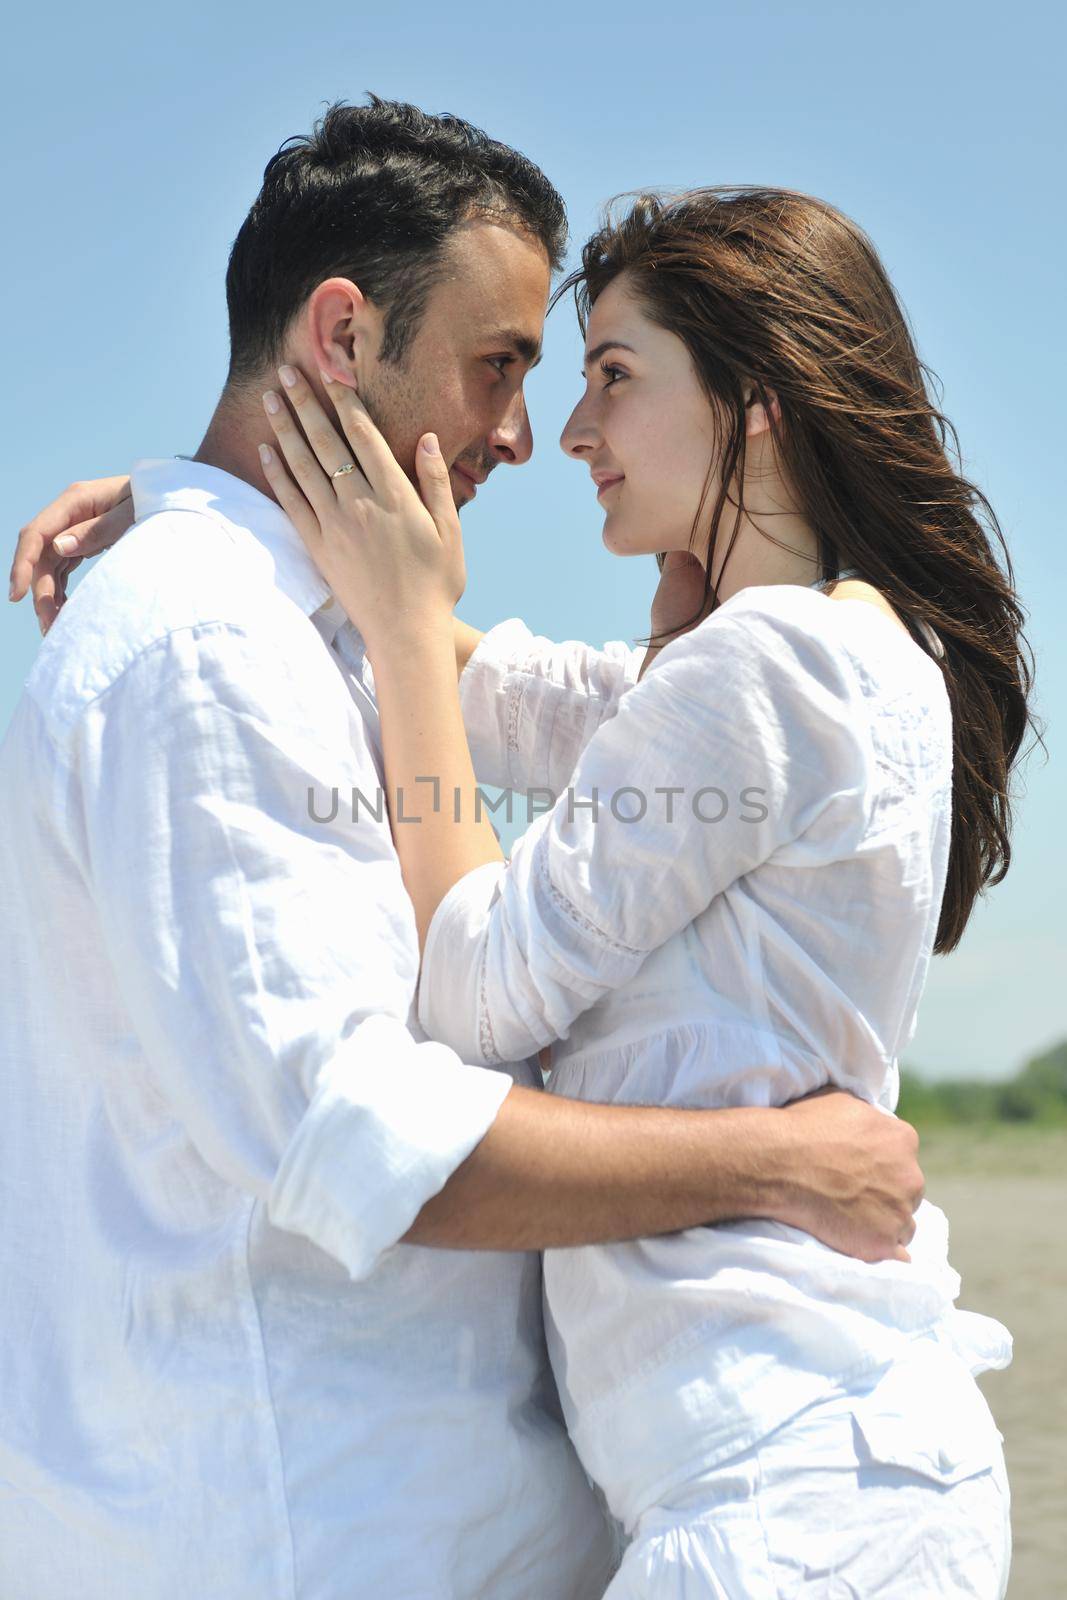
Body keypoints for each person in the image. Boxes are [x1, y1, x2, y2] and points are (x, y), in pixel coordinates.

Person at [0, 103, 924, 1599]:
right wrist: (775, 1161)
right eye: (501, 366)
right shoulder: (203, 648)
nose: (524, 435)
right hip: (312, 1531)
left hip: (457, 1523)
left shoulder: (335, 634)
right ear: (342, 336)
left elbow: (550, 703)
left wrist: (224, 512)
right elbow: (357, 1138)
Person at [245, 185, 1034, 1596]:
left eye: (615, 376)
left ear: (757, 403)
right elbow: (535, 700)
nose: (575, 433)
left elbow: (479, 993)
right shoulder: (858, 652)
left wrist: (405, 632)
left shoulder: (763, 669)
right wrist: (223, 524)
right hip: (838, 1469)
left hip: (781, 1498)